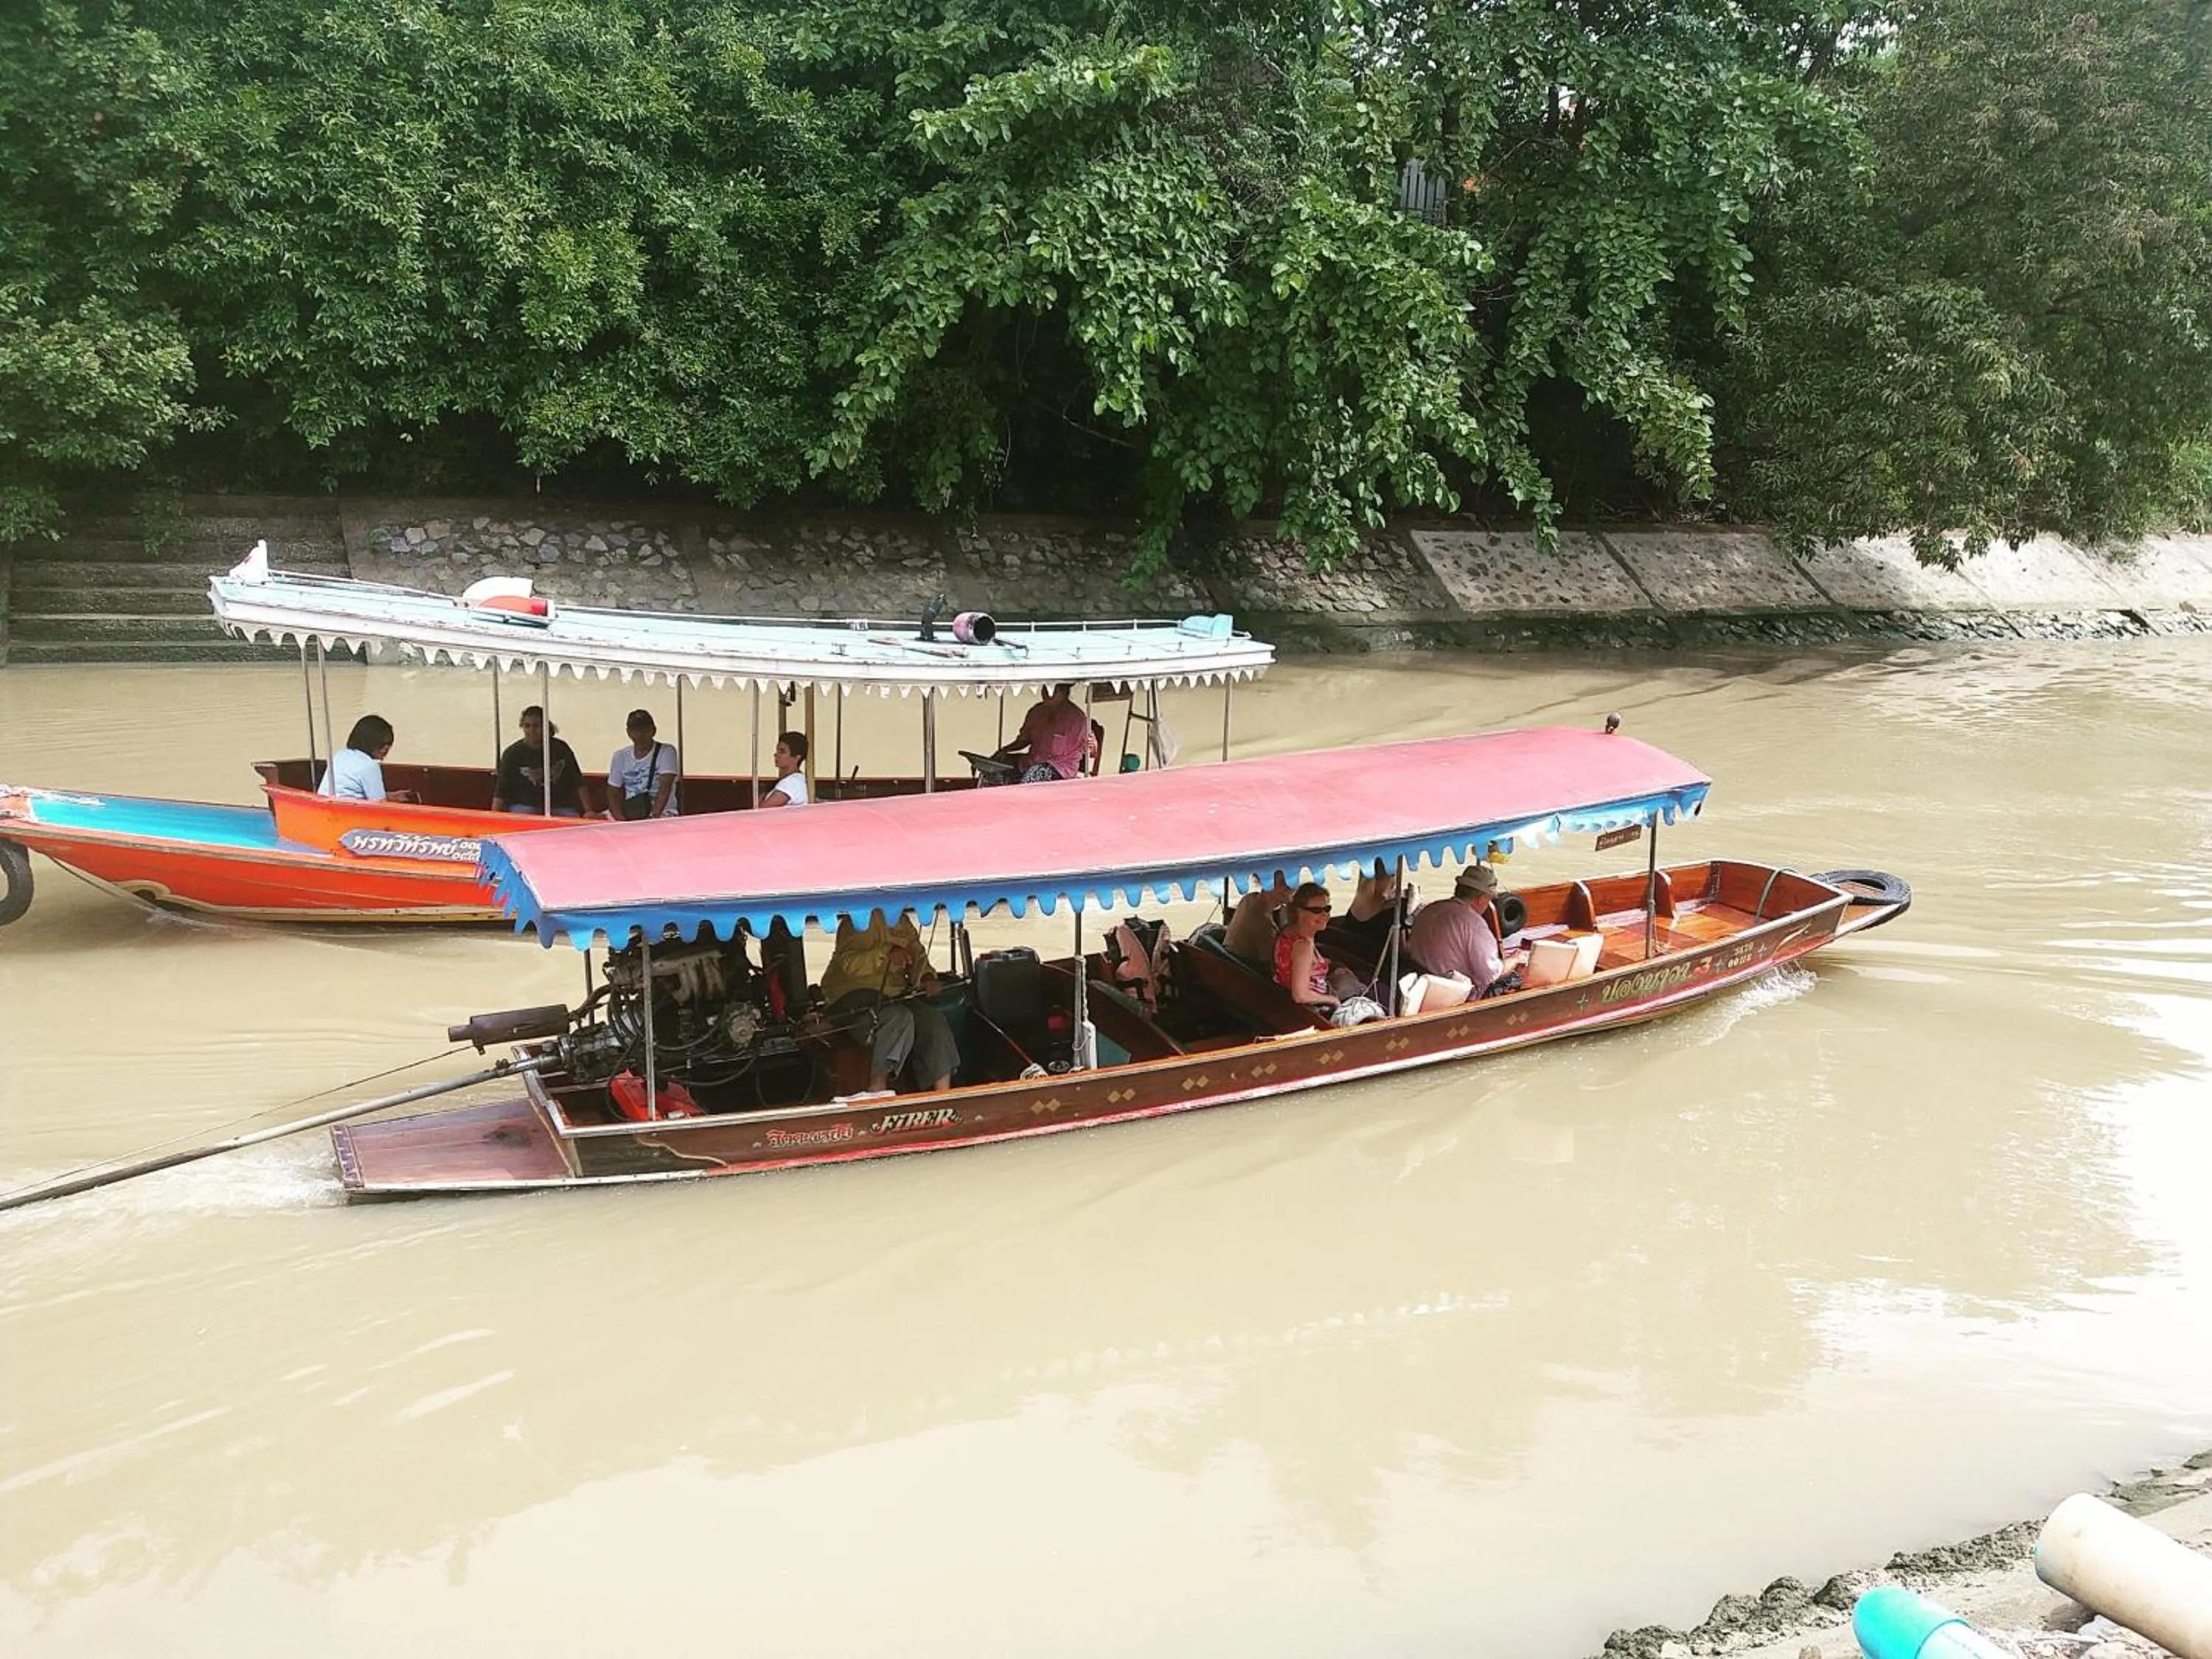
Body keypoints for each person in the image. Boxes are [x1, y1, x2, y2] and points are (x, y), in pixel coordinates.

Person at [819, 910, 959, 1093]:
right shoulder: (855, 922)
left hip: (895, 994)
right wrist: (886, 952)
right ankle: (877, 1088)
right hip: (851, 995)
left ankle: (943, 1095)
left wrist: (926, 978)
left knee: (934, 1021)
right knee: (898, 1017)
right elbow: (850, 965)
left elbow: (917, 956)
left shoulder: (902, 922)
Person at [1405, 863, 1526, 998]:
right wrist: (1515, 958)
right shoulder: (1474, 925)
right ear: (1481, 900)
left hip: (1419, 984)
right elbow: (1491, 975)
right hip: (1451, 995)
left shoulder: (1430, 909)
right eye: (1489, 900)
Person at [490, 705, 583, 815]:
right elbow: (502, 789)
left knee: (572, 817)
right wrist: (494, 815)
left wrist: (589, 811)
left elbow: (578, 781)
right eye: (527, 726)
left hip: (559, 806)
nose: (532, 731)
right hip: (524, 806)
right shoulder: (512, 753)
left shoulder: (561, 749)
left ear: (546, 727)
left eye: (537, 726)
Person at [994, 684, 1097, 782]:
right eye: (1045, 689)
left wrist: (1092, 745)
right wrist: (1005, 750)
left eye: (1053, 691)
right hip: (1032, 761)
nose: (1047, 694)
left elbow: (1091, 750)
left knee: (1034, 775)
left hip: (1060, 767)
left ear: (1064, 692)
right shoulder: (1036, 711)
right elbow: (1024, 740)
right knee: (998, 766)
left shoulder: (1077, 718)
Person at [1273, 882, 1340, 1010]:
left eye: (1327, 909)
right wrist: (1333, 1000)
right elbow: (1300, 996)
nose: (1325, 915)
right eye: (1317, 910)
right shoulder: (1303, 945)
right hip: (1312, 1010)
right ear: (1299, 911)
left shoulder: (1288, 931)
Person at [607, 709, 679, 819]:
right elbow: (613, 792)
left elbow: (665, 788)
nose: (640, 734)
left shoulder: (666, 752)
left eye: (644, 729)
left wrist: (653, 817)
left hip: (662, 813)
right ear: (628, 732)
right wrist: (619, 818)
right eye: (635, 730)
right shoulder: (620, 756)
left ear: (653, 731)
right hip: (631, 811)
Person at [1223, 870, 1293, 966]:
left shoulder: (1249, 899)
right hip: (1245, 971)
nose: (1290, 887)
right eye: (1283, 883)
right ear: (1267, 883)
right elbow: (1272, 962)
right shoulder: (1263, 923)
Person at [319, 715, 395, 801]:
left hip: (325, 805)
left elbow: (348, 790)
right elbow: (380, 803)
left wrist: (391, 796)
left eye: (389, 744)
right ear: (369, 741)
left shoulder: (341, 755)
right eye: (382, 744)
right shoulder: (370, 766)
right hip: (346, 808)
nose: (386, 748)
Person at [759, 731, 810, 809]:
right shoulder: (794, 779)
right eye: (777, 751)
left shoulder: (792, 782)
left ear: (797, 757)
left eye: (782, 752)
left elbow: (763, 809)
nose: (776, 755)